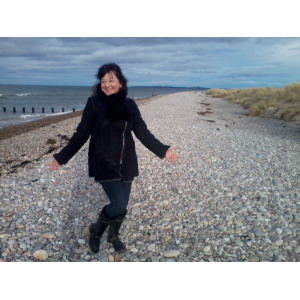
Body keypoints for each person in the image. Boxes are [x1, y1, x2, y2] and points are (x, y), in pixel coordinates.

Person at [49, 63, 179, 254]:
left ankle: (113, 236)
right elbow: (81, 134)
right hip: (103, 162)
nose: (107, 84)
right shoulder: (93, 103)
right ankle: (96, 231)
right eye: (103, 81)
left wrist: (163, 149)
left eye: (112, 80)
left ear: (120, 83)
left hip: (126, 162)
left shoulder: (130, 105)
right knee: (118, 203)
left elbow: (142, 132)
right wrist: (62, 156)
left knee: (122, 206)